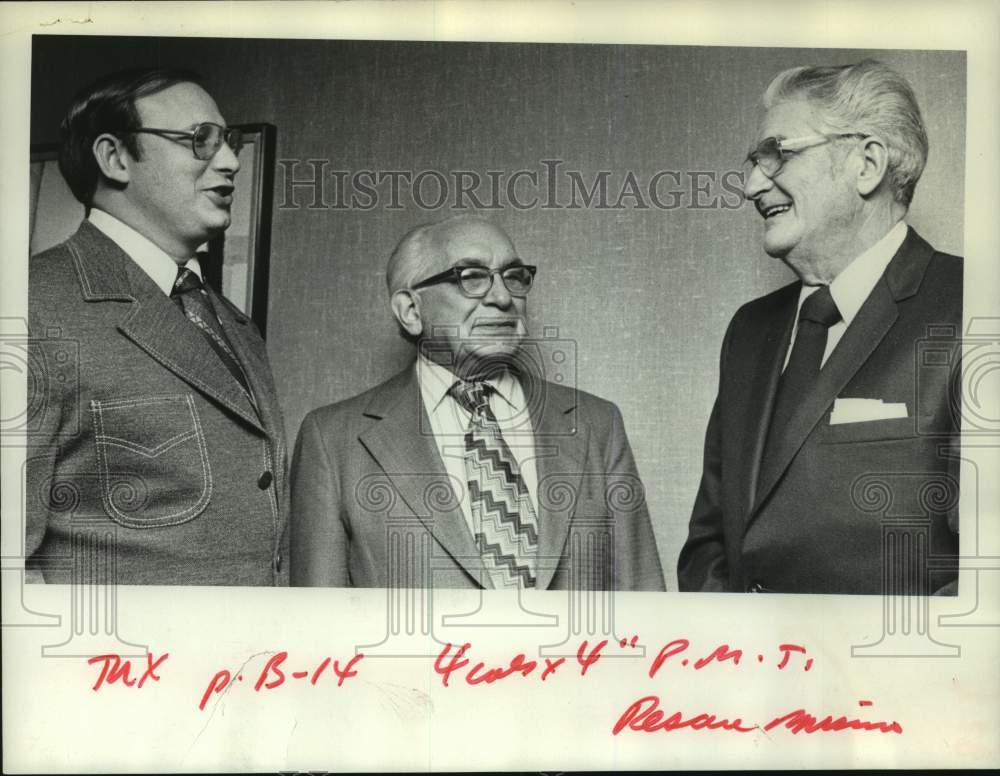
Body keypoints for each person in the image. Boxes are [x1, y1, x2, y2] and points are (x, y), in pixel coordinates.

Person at [677, 60, 962, 595]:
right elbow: (710, 544)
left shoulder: (974, 308)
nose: (748, 185)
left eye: (776, 154)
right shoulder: (749, 331)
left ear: (866, 163)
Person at [291, 214, 664, 590]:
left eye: (514, 276)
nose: (503, 298)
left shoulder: (597, 425)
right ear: (411, 311)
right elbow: (320, 628)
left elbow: (644, 604)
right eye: (471, 278)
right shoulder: (333, 441)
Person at [26, 67, 288, 585]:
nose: (231, 161)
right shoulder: (31, 307)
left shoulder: (233, 324)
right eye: (200, 140)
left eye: (229, 142)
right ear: (115, 158)